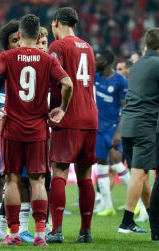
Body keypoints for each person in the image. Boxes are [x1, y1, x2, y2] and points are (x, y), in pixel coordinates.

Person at [0, 14, 73, 246]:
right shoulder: (47, 59)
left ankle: (13, 234)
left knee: (12, 180)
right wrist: (62, 108)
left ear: (20, 35)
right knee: (38, 180)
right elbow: (68, 83)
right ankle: (41, 235)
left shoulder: (7, 56)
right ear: (37, 35)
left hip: (12, 127)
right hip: (38, 128)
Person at [47, 7, 98, 243]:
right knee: (85, 175)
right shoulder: (88, 46)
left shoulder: (58, 47)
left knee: (59, 170)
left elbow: (52, 78)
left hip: (68, 117)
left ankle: (56, 230)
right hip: (90, 116)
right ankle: (86, 231)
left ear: (57, 23)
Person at [0, 19, 34, 243]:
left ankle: (21, 228)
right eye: (13, 40)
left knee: (23, 181)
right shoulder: (1, 67)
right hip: (3, 131)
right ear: (6, 44)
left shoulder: (33, 67)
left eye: (20, 39)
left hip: (26, 132)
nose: (18, 43)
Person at [118, 28, 159, 238]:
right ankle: (127, 219)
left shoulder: (137, 66)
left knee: (142, 177)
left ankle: (155, 224)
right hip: (145, 125)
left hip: (128, 124)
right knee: (140, 172)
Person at [94, 50, 130, 216]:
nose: (95, 60)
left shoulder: (120, 81)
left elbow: (125, 108)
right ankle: (107, 206)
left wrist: (118, 133)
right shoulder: (96, 76)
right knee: (101, 166)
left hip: (113, 128)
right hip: (98, 128)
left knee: (116, 162)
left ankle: (137, 203)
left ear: (107, 60)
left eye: (98, 58)